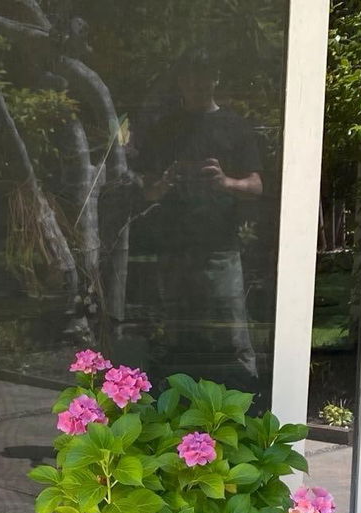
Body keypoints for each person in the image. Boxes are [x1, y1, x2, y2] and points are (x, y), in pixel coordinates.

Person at [137, 48, 265, 402]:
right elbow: (146, 192)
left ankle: (246, 403)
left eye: (204, 75)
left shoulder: (235, 126)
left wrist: (225, 182)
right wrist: (165, 182)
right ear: (180, 81)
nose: (196, 82)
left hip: (220, 248)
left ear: (215, 79)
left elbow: (257, 186)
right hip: (174, 249)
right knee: (177, 334)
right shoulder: (164, 129)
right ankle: (180, 407)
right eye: (189, 75)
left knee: (232, 332)